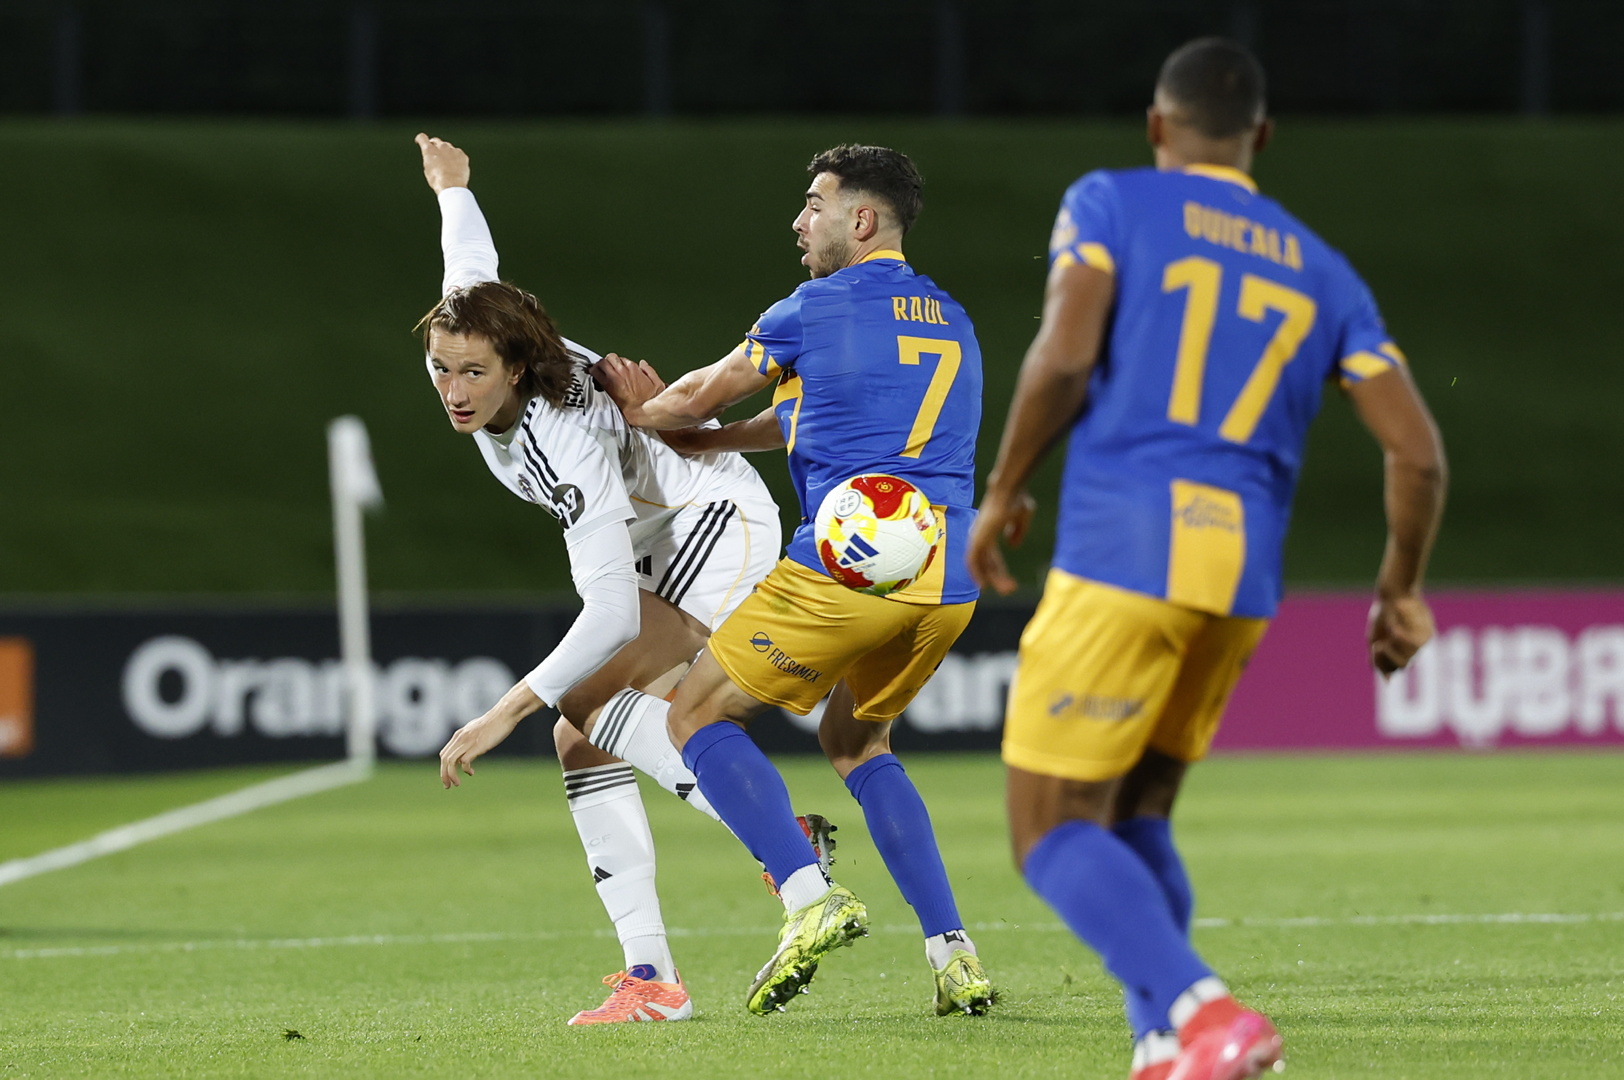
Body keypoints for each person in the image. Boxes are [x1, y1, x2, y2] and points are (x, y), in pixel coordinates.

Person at [966, 38, 1447, 1080]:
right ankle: (1161, 1045)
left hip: (1125, 547)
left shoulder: (1109, 202)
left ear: (1156, 124)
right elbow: (1417, 453)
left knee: (1047, 831)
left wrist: (1002, 489)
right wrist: (1399, 589)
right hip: (1241, 576)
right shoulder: (1324, 271)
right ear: (1260, 136)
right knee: (1136, 812)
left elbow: (1064, 353)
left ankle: (1205, 1011)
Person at [413, 133, 831, 1026]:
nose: (453, 388)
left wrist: (500, 713)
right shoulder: (478, 329)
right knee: (583, 738)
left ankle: (786, 850)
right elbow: (470, 262)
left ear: (516, 369)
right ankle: (654, 980)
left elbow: (609, 612)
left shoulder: (561, 439)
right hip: (657, 530)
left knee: (587, 701)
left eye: (473, 373)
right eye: (442, 367)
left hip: (709, 519)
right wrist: (453, 186)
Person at [590, 144, 995, 1017]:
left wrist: (643, 412)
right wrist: (711, 441)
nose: (799, 221)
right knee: (858, 743)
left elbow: (699, 392)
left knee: (694, 714)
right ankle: (953, 951)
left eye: (815, 204)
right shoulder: (951, 318)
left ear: (862, 219)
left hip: (850, 565)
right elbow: (813, 413)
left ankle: (809, 897)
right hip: (947, 573)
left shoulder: (813, 307)